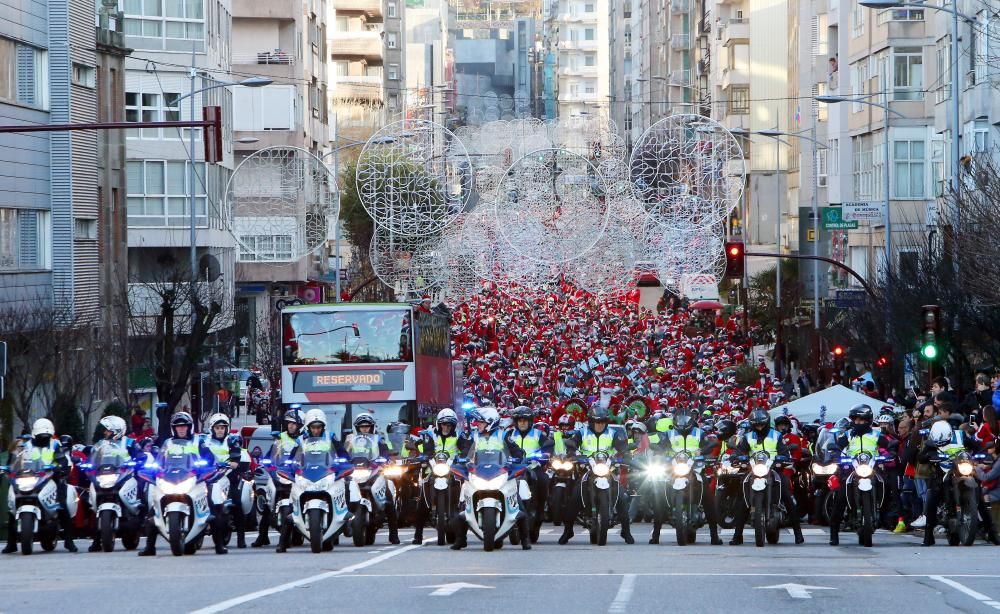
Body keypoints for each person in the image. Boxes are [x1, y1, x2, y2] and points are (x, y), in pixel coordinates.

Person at [138, 412, 216, 556]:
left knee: (213, 507)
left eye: (184, 426)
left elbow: (209, 457)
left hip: (193, 478)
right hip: (171, 478)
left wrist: (206, 466)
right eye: (178, 426)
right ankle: (150, 547)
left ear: (189, 427)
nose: (181, 429)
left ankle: (219, 545)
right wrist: (156, 468)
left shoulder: (198, 441)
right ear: (174, 428)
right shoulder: (168, 443)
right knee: (152, 512)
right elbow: (160, 459)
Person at [451, 407, 529, 550]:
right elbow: (465, 451)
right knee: (462, 505)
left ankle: (525, 539)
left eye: (480, 422)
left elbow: (516, 451)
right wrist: (462, 459)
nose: (477, 424)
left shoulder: (503, 435)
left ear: (490, 423)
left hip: (500, 473)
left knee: (518, 503)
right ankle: (461, 539)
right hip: (478, 473)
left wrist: (518, 458)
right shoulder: (473, 436)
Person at [557, 406, 634, 545]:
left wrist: (626, 455)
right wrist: (572, 453)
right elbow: (572, 444)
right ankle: (568, 531)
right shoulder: (582, 432)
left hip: (608, 469)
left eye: (602, 421)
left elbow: (622, 447)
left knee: (622, 496)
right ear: (591, 422)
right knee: (574, 497)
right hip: (587, 469)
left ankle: (626, 531)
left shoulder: (613, 433)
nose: (600, 425)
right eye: (597, 422)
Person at [729, 408, 805, 545]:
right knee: (741, 497)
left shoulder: (776, 435)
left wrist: (783, 460)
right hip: (754, 469)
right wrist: (735, 458)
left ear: (767, 423)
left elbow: (784, 452)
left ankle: (798, 533)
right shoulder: (747, 437)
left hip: (773, 469)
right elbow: (739, 450)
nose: (759, 427)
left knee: (787, 495)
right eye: (756, 425)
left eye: (762, 424)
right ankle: (737, 535)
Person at [3, 419, 77, 554]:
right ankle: (11, 543)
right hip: (27, 477)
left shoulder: (54, 445)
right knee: (12, 507)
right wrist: (8, 468)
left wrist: (61, 468)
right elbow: (13, 460)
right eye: (41, 436)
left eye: (46, 436)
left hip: (50, 477)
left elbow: (62, 459)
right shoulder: (24, 445)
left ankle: (68, 541)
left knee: (61, 504)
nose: (44, 439)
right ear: (34, 434)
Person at [657, 409, 723, 545]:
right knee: (659, 494)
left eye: (685, 420)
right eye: (679, 420)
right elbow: (661, 447)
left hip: (695, 469)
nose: (682, 423)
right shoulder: (668, 434)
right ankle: (655, 535)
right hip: (673, 470)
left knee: (708, 498)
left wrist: (706, 452)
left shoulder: (700, 433)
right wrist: (660, 452)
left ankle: (714, 536)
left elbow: (708, 447)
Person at [827, 404, 890, 545]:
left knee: (886, 485)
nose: (858, 423)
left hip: (871, 467)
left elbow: (888, 445)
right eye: (855, 420)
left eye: (861, 420)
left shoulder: (876, 434)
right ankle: (834, 533)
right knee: (840, 497)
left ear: (868, 420)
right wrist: (837, 456)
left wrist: (889, 453)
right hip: (851, 469)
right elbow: (837, 447)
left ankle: (884, 515)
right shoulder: (848, 434)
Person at [342, 411, 398, 546]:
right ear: (357, 428)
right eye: (362, 427)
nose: (365, 429)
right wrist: (342, 461)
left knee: (388, 497)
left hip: (373, 471)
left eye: (367, 426)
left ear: (372, 427)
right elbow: (344, 453)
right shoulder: (350, 439)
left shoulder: (379, 439)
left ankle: (393, 534)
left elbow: (386, 452)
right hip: (355, 471)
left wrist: (387, 460)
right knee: (339, 491)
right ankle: (334, 534)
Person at [251, 408, 304, 548]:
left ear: (301, 425)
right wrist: (266, 463)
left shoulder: (304, 439)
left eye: (294, 423)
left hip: (296, 476)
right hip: (279, 475)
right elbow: (270, 455)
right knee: (268, 505)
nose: (291, 426)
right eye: (289, 423)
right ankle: (262, 537)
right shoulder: (280, 438)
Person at [411, 409, 462, 545]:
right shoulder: (430, 434)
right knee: (422, 501)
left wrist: (464, 458)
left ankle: (460, 535)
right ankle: (418, 535)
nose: (446, 427)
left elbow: (466, 448)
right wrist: (422, 458)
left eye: (449, 424)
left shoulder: (460, 435)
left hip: (453, 471)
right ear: (438, 424)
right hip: (432, 470)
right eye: (443, 424)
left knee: (462, 500)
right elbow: (427, 450)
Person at [506, 405, 553, 541]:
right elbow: (499, 447)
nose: (522, 423)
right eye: (519, 420)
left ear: (530, 421)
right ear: (515, 421)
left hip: (532, 468)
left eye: (525, 420)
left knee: (543, 480)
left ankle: (540, 511)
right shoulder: (508, 435)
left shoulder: (538, 434)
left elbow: (548, 446)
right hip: (512, 470)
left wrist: (544, 455)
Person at [201, 413, 245, 552]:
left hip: (228, 476)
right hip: (209, 476)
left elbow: (236, 454)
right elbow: (198, 454)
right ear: (212, 428)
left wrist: (234, 462)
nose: (220, 430)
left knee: (237, 502)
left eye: (222, 427)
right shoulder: (204, 441)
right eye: (217, 427)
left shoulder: (232, 440)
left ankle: (241, 537)